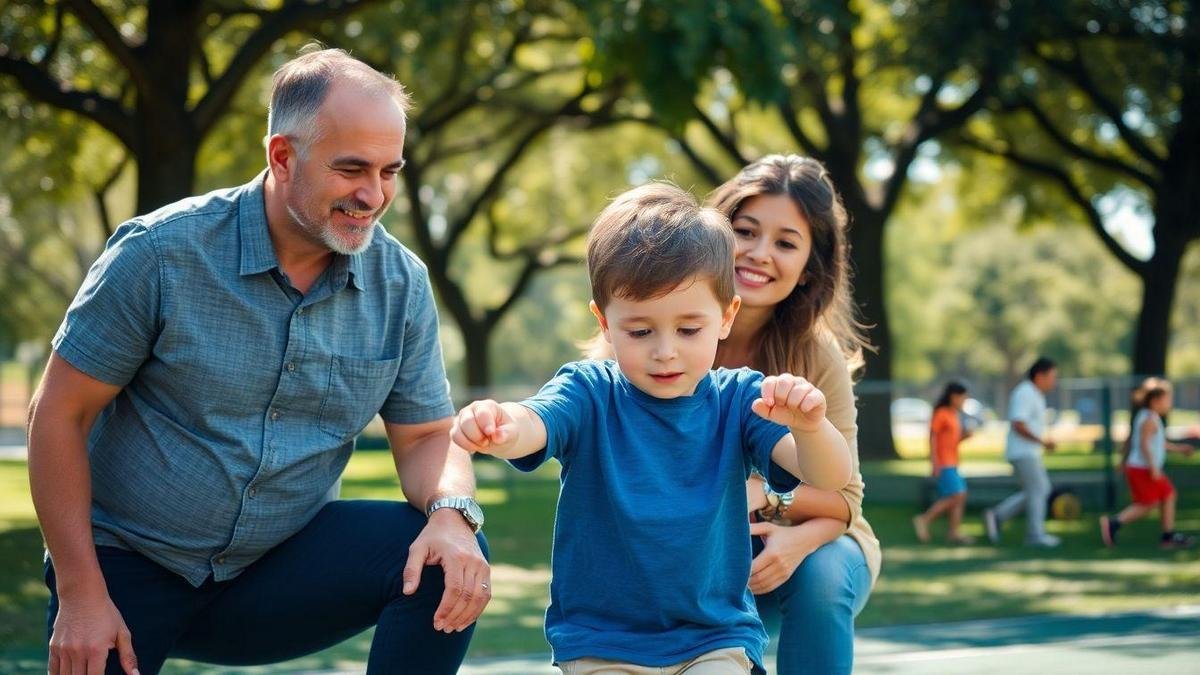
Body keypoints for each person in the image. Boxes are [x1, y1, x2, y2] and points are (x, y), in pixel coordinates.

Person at [26, 48, 489, 675]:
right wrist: (81, 594)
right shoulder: (160, 254)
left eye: (388, 171)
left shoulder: (401, 283)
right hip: (125, 567)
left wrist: (453, 515)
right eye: (351, 168)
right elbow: (59, 415)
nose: (373, 195)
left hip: (277, 571)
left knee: (449, 557)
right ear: (282, 156)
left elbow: (427, 437)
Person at [451, 182, 853, 674]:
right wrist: (501, 423)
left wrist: (811, 427)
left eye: (689, 330)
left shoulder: (741, 399)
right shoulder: (589, 391)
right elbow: (536, 420)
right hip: (601, 642)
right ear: (604, 322)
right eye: (640, 331)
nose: (665, 350)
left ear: (726, 316)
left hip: (714, 637)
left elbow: (829, 476)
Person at [703, 155, 880, 674]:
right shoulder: (655, 336)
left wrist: (782, 518)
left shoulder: (817, 356)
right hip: (693, 557)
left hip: (813, 549)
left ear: (809, 268)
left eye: (785, 242)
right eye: (745, 231)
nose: (759, 254)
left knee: (821, 575)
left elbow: (845, 500)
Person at [1101, 381, 1196, 549]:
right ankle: (1114, 523)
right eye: (1167, 399)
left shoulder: (1147, 416)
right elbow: (1144, 445)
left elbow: (1156, 443)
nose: (1169, 403)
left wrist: (1180, 448)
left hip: (1141, 467)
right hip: (1143, 468)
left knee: (1166, 495)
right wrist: (1153, 468)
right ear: (1155, 400)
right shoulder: (1149, 419)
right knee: (1148, 503)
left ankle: (1168, 536)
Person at [983, 357, 1060, 547]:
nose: (1054, 382)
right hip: (1023, 452)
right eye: (1052, 377)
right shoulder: (1025, 393)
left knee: (1038, 490)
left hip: (1029, 452)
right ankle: (1035, 535)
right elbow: (1019, 423)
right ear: (1039, 376)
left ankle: (997, 515)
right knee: (1040, 489)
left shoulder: (1035, 394)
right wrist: (1042, 441)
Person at [913, 382, 975, 544]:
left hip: (953, 462)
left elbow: (951, 441)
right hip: (944, 463)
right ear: (953, 396)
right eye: (963, 397)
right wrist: (934, 461)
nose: (964, 401)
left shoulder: (953, 414)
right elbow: (932, 437)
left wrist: (964, 437)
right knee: (958, 494)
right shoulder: (941, 413)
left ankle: (954, 532)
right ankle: (924, 519)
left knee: (958, 496)